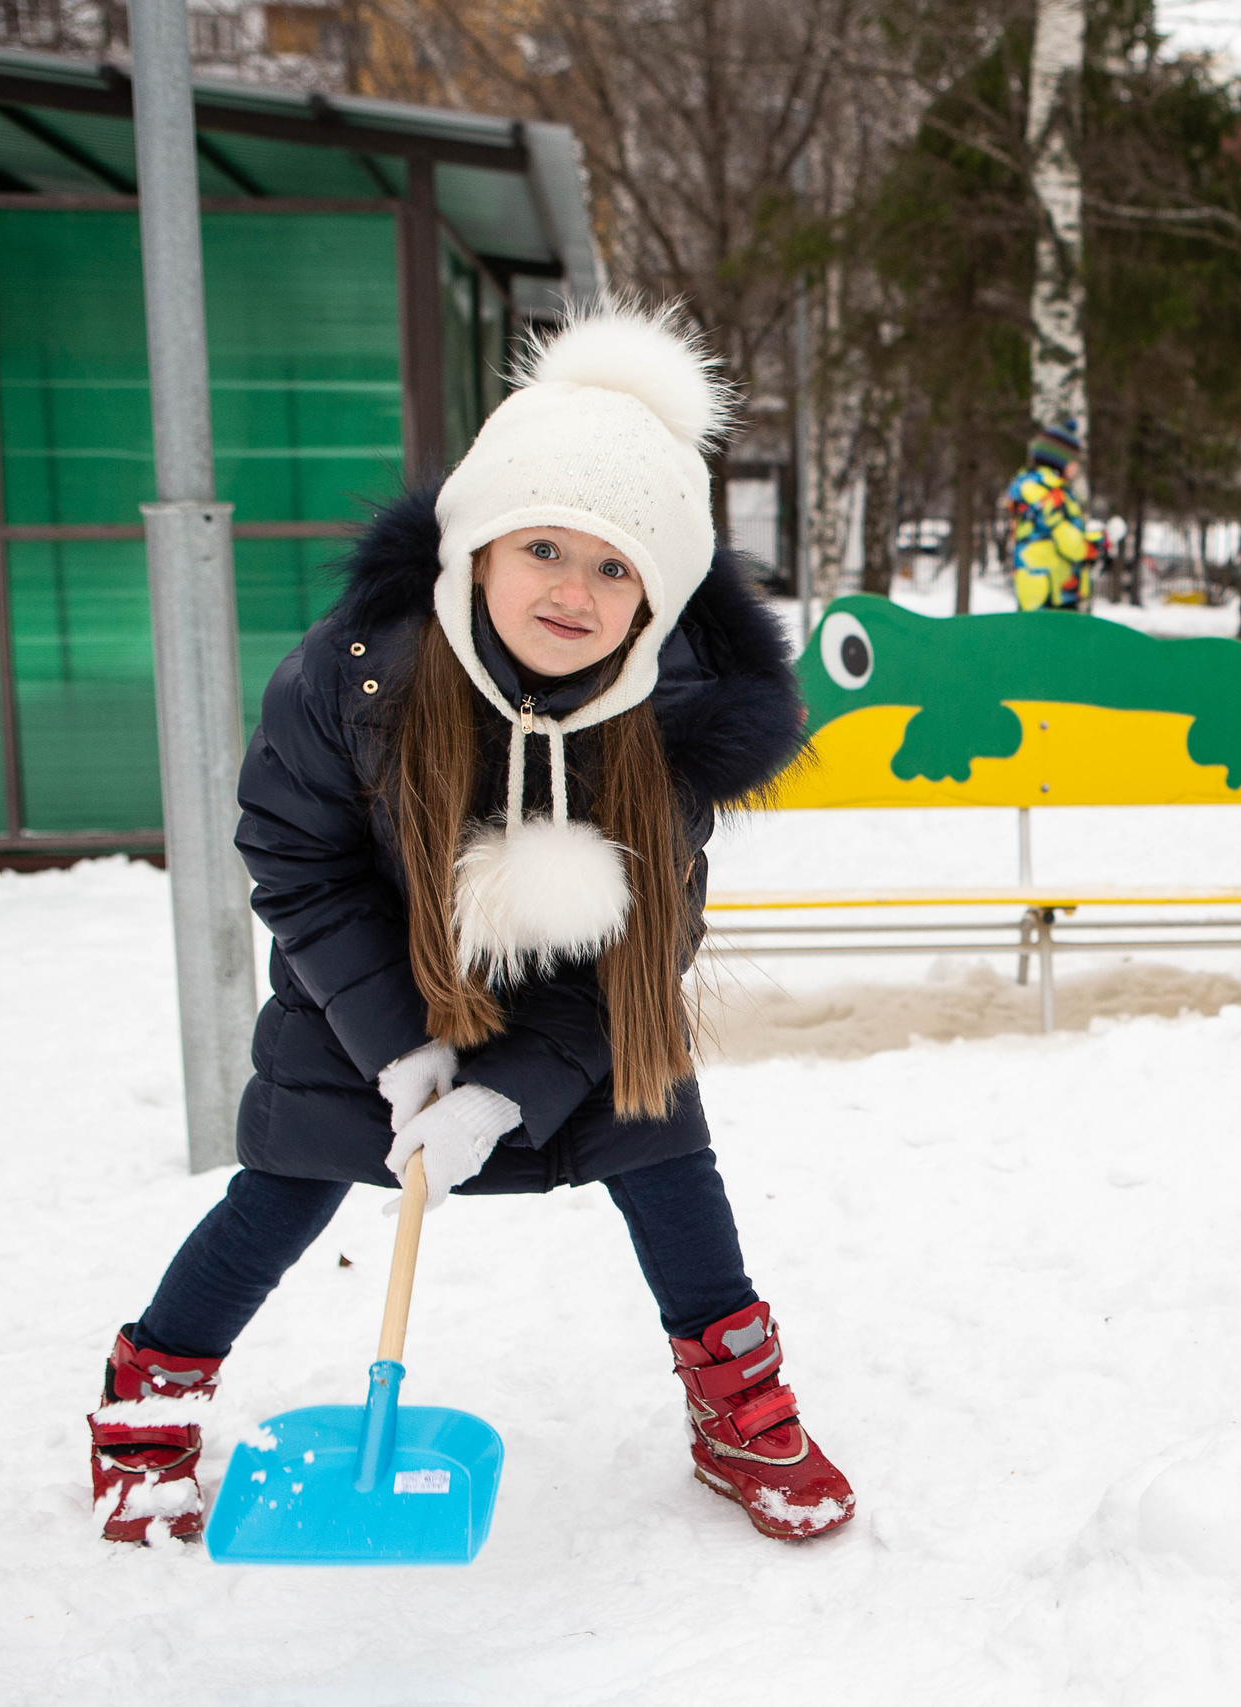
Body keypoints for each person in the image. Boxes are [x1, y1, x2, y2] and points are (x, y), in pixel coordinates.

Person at [85, 306, 855, 1547]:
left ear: (658, 600)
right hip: (366, 991)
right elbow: (296, 855)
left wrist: (504, 1095)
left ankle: (736, 1407)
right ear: (475, 549)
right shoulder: (360, 674)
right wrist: (402, 1048)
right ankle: (150, 1398)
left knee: (668, 1158)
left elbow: (642, 949)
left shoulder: (671, 726)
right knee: (283, 1186)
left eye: (617, 567)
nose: (574, 589)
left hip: (584, 1015)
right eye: (543, 545)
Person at [1010, 418, 1102, 611]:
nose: (1077, 467)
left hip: (1036, 589)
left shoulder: (1033, 488)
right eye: (1074, 460)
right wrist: (1096, 544)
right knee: (1055, 641)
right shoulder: (1052, 495)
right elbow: (1070, 545)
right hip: (1053, 594)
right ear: (1059, 461)